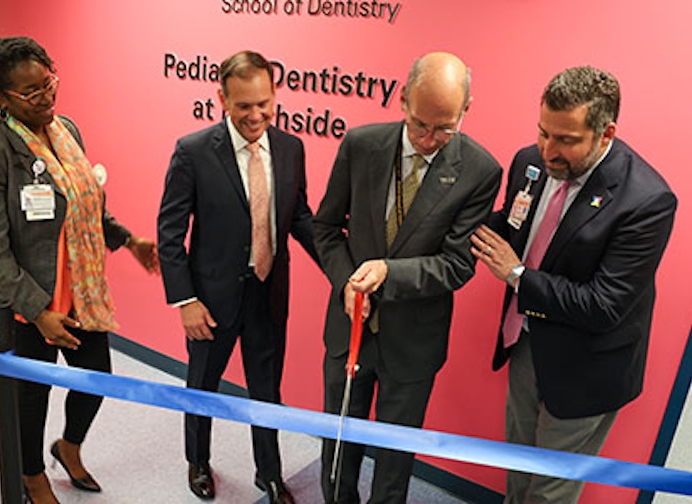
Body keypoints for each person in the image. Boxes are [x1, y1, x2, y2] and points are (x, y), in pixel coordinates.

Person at [0, 37, 159, 503]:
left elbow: (85, 206)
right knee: (31, 400)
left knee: (96, 381)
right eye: (30, 93)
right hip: (24, 304)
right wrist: (39, 310)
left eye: (48, 83)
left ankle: (68, 447)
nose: (46, 97)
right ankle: (31, 478)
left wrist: (127, 240)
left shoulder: (66, 129)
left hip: (81, 294)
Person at [471, 66, 677, 503]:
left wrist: (516, 275)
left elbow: (604, 305)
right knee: (518, 465)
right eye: (544, 132)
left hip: (588, 366)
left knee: (550, 492)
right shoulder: (530, 161)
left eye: (565, 140)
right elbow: (516, 225)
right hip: (526, 341)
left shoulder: (647, 201)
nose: (548, 150)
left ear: (606, 134)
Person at [314, 52, 502, 503]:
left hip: (414, 342)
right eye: (420, 124)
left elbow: (458, 264)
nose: (429, 139)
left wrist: (387, 274)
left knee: (395, 466)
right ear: (402, 100)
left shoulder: (481, 171)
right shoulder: (360, 145)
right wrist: (347, 284)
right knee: (337, 450)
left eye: (445, 127)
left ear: (466, 110)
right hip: (349, 331)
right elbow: (325, 229)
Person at [157, 50, 318, 504]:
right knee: (201, 388)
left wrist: (339, 265)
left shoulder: (291, 148)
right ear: (222, 100)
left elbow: (300, 216)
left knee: (267, 390)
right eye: (244, 105)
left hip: (268, 293)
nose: (256, 115)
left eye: (264, 103)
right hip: (210, 300)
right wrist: (185, 300)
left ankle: (268, 474)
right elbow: (170, 232)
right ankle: (198, 461)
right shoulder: (192, 152)